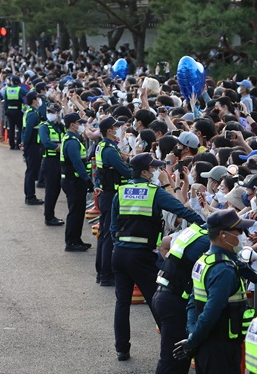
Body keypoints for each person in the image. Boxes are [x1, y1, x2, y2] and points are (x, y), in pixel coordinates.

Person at [111, 153, 205, 362]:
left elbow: (113, 226)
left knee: (122, 303)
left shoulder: (122, 191)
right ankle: (173, 350)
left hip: (119, 254)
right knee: (158, 301)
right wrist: (206, 226)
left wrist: (119, 244)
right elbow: (181, 210)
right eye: (153, 169)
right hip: (141, 256)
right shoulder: (153, 193)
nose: (156, 172)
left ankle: (121, 349)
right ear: (144, 172)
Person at [174, 209, 256, 373]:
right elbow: (211, 311)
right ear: (223, 235)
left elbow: (192, 301)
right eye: (239, 231)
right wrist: (193, 339)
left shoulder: (204, 260)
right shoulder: (223, 270)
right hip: (220, 347)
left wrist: (193, 334)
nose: (243, 235)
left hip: (208, 343)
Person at [152, 223, 211, 374]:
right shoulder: (206, 243)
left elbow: (165, 244)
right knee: (172, 361)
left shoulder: (193, 231)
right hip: (173, 301)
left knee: (178, 358)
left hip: (164, 295)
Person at [94, 116, 131, 287]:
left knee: (104, 234)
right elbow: (125, 171)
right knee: (108, 234)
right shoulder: (109, 149)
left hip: (106, 193)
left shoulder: (102, 145)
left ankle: (101, 271)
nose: (117, 129)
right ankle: (106, 274)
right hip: (111, 195)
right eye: (115, 127)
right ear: (109, 130)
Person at [60, 112, 93, 252]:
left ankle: (76, 239)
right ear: (72, 124)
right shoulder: (72, 142)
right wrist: (87, 179)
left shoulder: (73, 138)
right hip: (73, 181)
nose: (80, 126)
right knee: (75, 212)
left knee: (79, 211)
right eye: (79, 123)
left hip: (73, 180)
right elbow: (77, 163)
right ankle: (71, 242)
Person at [38, 103, 65, 226]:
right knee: (51, 190)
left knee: (56, 189)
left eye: (53, 112)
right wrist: (58, 147)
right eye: (49, 111)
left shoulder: (61, 126)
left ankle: (50, 215)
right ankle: (49, 217)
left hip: (60, 161)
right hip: (50, 161)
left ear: (58, 113)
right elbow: (46, 142)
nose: (51, 114)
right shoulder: (44, 127)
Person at [20, 91, 44, 206]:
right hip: (33, 146)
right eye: (38, 98)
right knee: (31, 171)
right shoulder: (32, 114)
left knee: (31, 171)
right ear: (34, 100)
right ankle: (30, 196)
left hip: (33, 145)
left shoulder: (31, 112)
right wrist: (25, 144)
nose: (39, 100)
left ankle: (30, 196)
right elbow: (28, 131)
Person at [4, 75, 27, 149]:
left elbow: (5, 102)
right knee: (20, 128)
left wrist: (5, 111)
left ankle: (11, 145)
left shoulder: (7, 89)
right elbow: (28, 93)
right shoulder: (19, 89)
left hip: (9, 111)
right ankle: (18, 144)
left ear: (12, 82)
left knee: (11, 128)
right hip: (17, 111)